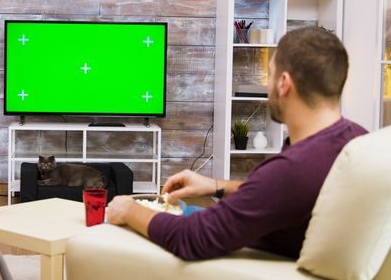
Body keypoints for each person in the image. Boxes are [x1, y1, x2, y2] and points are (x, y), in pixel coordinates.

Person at [107, 27, 368, 260]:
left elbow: (191, 238)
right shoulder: (357, 139)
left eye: (270, 73)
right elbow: (282, 197)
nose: (267, 85)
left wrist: (129, 208)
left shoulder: (292, 169)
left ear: (284, 83)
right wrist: (216, 186)